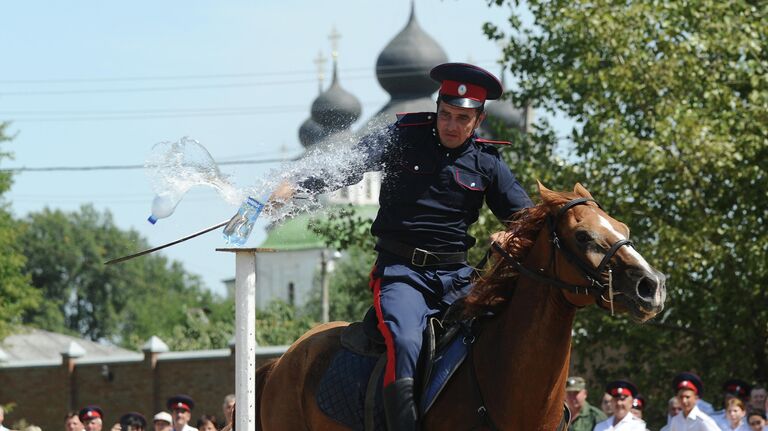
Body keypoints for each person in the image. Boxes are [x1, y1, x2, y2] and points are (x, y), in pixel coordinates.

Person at [275, 62, 533, 431]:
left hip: (458, 278)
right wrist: (297, 185)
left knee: (503, 333)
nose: (451, 125)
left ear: (477, 122)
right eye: (445, 115)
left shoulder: (487, 162)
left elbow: (526, 217)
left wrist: (514, 234)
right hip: (403, 274)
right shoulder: (403, 136)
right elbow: (350, 165)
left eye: (462, 118)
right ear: (437, 109)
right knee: (407, 340)